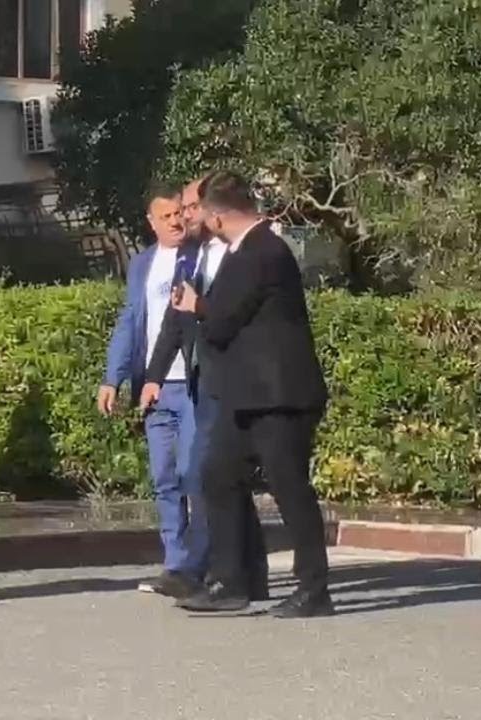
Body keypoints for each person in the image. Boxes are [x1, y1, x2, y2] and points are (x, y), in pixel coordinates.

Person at [169, 170, 334, 618]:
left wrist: (196, 306)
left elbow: (223, 321)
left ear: (219, 217)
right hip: (247, 396)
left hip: (280, 396)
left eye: (203, 213)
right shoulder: (245, 250)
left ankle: (314, 588)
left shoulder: (262, 251)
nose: (199, 221)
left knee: (290, 487)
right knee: (218, 476)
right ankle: (229, 581)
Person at [141, 173, 269, 602]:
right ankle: (246, 574)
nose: (186, 216)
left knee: (207, 474)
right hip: (204, 379)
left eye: (192, 207)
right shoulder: (192, 256)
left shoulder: (240, 252)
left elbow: (234, 315)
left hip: (232, 378)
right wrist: (154, 376)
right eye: (182, 209)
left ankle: (201, 570)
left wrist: (202, 307)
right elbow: (174, 322)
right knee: (219, 475)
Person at [97, 185, 206, 599]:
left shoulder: (198, 256)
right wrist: (113, 377)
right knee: (164, 478)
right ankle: (175, 565)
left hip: (192, 383)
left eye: (179, 213)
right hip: (154, 387)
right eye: (167, 216)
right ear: (152, 222)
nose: (176, 221)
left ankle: (199, 566)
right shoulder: (143, 264)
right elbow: (130, 321)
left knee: (193, 475)